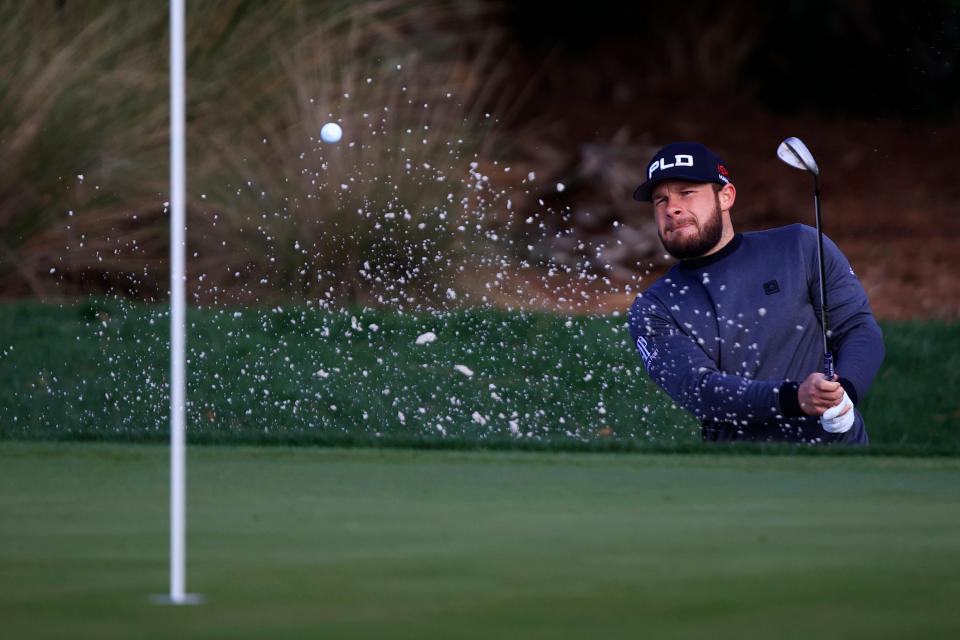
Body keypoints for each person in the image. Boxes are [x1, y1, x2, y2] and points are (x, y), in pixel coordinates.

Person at [626, 142, 884, 444]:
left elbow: (859, 328)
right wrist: (794, 397)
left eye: (687, 192)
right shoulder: (654, 307)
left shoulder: (800, 246)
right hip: (739, 477)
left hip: (838, 461)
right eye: (660, 200)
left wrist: (844, 393)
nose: (672, 208)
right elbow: (700, 390)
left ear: (726, 196)